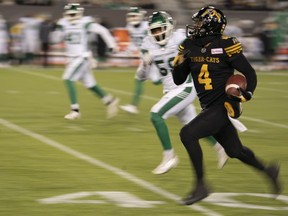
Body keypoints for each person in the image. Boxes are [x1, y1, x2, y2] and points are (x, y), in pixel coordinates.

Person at [172, 6, 281, 205]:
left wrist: (247, 94)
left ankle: (201, 186)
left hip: (224, 105)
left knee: (187, 134)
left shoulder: (226, 44)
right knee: (234, 151)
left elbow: (249, 73)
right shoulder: (189, 45)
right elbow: (179, 80)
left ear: (211, 24)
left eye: (200, 22)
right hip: (209, 107)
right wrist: (178, 64)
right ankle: (269, 171)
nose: (195, 26)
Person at [121, 11, 228, 174]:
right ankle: (221, 147)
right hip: (170, 90)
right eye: (154, 30)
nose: (157, 33)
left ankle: (169, 157)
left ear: (169, 27)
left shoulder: (180, 37)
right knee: (192, 125)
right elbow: (142, 77)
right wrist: (145, 64)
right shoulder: (147, 44)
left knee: (156, 114)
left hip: (186, 86)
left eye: (160, 29)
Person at [53, 3, 119, 120]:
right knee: (90, 84)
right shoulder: (63, 23)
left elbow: (102, 30)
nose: (72, 16)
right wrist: (57, 30)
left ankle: (75, 110)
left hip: (82, 57)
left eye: (74, 14)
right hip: (73, 58)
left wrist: (112, 44)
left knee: (68, 79)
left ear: (79, 13)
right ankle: (110, 101)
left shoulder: (85, 22)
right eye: (70, 14)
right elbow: (55, 40)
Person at [120, 6, 149, 114]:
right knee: (140, 79)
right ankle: (133, 106)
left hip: (154, 56)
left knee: (160, 80)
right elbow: (134, 42)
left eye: (135, 16)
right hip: (146, 58)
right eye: (131, 16)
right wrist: (129, 49)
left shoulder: (147, 26)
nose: (133, 18)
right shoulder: (130, 27)